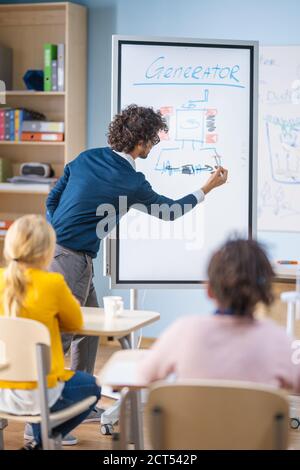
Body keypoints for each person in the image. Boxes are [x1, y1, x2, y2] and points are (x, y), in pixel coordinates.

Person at [46, 104, 228, 404]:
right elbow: (169, 211)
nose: (153, 147)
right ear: (141, 141)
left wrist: (56, 233)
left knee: (88, 331)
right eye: (153, 141)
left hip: (69, 255)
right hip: (71, 260)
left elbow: (52, 197)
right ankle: (41, 421)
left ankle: (81, 401)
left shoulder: (86, 158)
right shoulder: (130, 181)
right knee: (61, 338)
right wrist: (207, 187)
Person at [138, 238, 300, 392]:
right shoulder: (279, 341)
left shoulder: (183, 332)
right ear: (263, 292)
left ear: (209, 290)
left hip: (194, 421)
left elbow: (142, 376)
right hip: (254, 422)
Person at [0, 215, 101, 449]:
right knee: (91, 386)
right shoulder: (53, 283)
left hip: (2, 391)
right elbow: (76, 323)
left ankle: (39, 438)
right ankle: (41, 440)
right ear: (47, 251)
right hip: (38, 394)